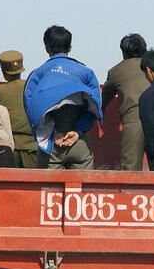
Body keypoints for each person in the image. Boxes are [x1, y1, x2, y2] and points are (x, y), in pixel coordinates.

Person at [23, 25, 102, 169]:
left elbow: (31, 111)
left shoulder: (38, 74)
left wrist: (51, 134)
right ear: (70, 47)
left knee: (48, 190)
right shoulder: (86, 72)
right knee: (81, 190)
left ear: (46, 48)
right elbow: (95, 106)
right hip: (79, 143)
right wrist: (77, 131)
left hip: (52, 145)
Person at [101, 33, 150, 171]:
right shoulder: (153, 67)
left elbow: (104, 99)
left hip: (134, 121)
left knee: (130, 171)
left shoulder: (116, 71)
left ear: (124, 53)